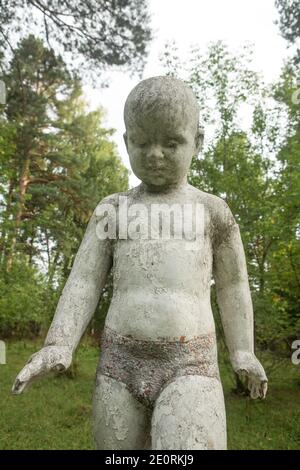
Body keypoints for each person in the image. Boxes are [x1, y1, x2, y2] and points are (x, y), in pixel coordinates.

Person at [12, 76, 268, 450]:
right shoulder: (112, 210)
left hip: (190, 364)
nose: (155, 154)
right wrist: (59, 344)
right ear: (126, 141)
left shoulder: (212, 212)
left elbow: (233, 286)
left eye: (171, 142)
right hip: (118, 365)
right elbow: (83, 281)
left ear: (197, 142)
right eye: (143, 142)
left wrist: (243, 350)